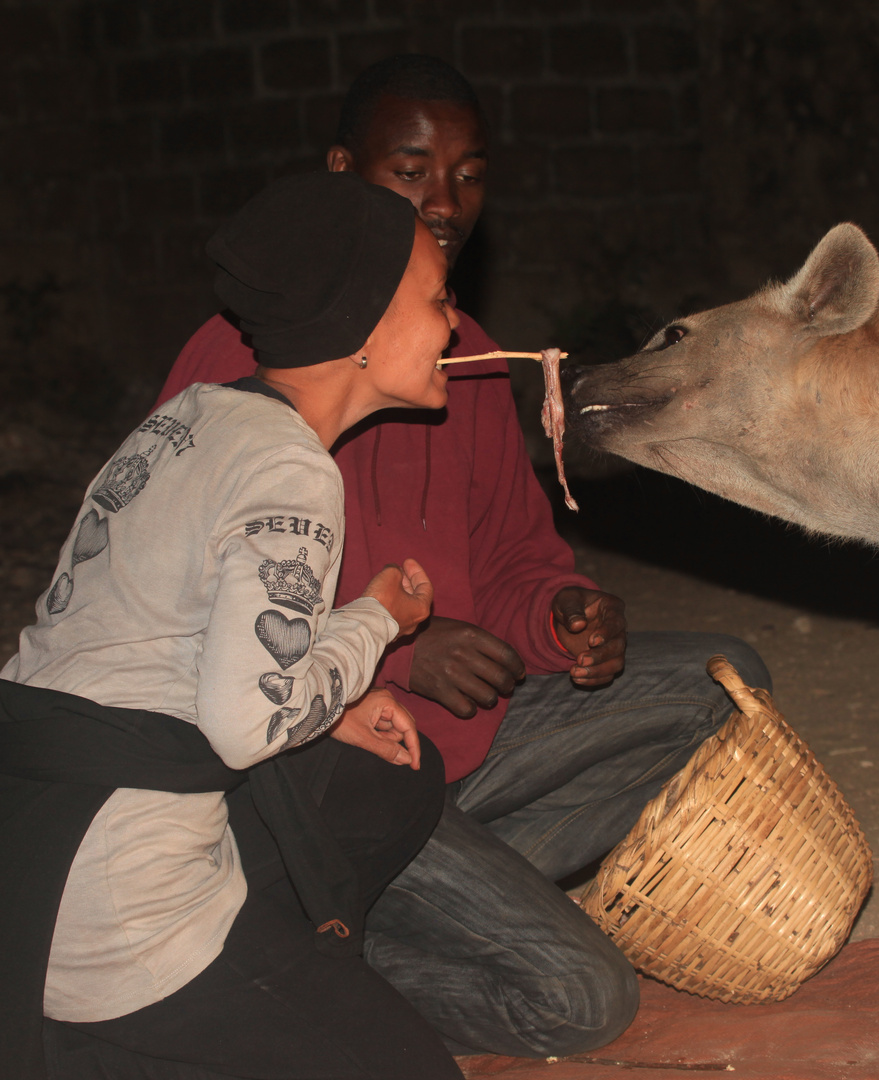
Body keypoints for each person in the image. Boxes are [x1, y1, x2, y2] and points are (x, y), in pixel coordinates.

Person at [156, 54, 773, 1058]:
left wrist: (564, 616)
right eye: (410, 172)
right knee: (581, 1001)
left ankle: (397, 897)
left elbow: (518, 554)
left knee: (726, 682)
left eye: (468, 173)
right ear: (343, 171)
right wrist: (401, 650)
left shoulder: (467, 351)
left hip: (456, 759)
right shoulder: (245, 361)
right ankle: (296, 941)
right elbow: (191, 624)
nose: (445, 202)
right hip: (321, 776)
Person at [0, 172, 468, 1080]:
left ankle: (238, 1001)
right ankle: (162, 1025)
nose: (453, 323)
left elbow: (165, 653)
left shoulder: (189, 417)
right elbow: (248, 726)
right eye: (438, 299)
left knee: (385, 782)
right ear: (364, 331)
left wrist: (332, 691)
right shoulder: (293, 472)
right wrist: (380, 618)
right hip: (118, 909)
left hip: (18, 871)